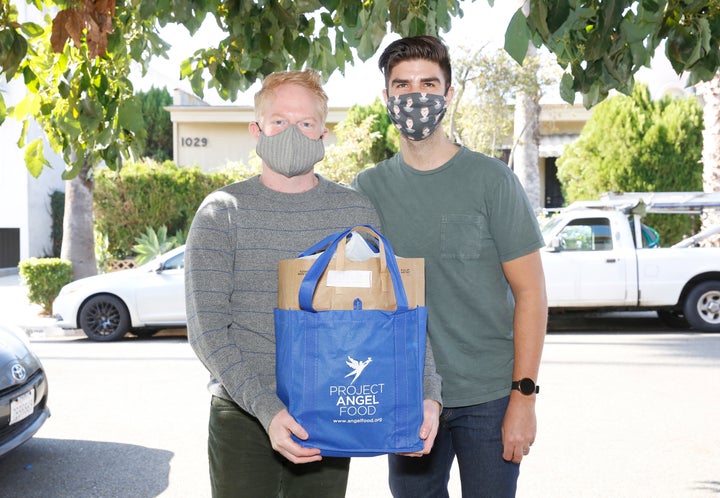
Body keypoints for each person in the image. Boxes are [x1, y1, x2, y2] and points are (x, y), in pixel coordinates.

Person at [184, 69, 441, 498]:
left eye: (305, 123)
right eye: (279, 122)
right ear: (256, 130)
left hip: (330, 410)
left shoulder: (353, 211)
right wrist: (266, 411)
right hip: (244, 417)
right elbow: (207, 331)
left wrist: (427, 393)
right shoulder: (222, 212)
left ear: (323, 134)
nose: (292, 132)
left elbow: (396, 313)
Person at [352, 36, 548, 498]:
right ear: (386, 97)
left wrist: (524, 397)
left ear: (448, 93)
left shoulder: (491, 181)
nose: (414, 96)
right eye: (401, 85)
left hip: (490, 395)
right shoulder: (367, 189)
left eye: (428, 83)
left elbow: (532, 294)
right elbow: (359, 298)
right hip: (409, 397)